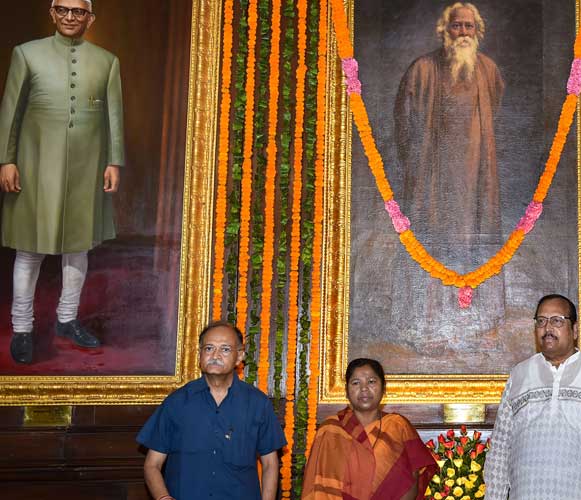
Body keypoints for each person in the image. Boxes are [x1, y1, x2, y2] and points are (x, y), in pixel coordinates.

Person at [0, 0, 125, 364]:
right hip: (35, 163)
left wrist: (114, 161)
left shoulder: (107, 61)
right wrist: (6, 159)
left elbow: (114, 115)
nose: (71, 17)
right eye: (63, 10)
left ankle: (66, 320)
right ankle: (22, 327)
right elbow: (11, 110)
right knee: (29, 248)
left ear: (91, 18)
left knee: (78, 246)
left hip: (88, 165)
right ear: (52, 13)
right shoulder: (27, 54)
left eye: (78, 11)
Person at [390, 2, 505, 334]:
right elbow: (405, 124)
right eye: (457, 26)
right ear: (444, 30)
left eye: (470, 27)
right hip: (433, 183)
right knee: (433, 245)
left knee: (474, 245)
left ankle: (475, 327)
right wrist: (423, 161)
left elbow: (495, 109)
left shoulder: (488, 71)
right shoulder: (422, 69)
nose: (464, 33)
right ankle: (427, 326)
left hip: (476, 182)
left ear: (477, 32)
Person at [483, 294, 581, 499]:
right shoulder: (519, 375)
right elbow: (500, 451)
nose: (547, 328)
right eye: (541, 321)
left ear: (575, 330)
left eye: (557, 320)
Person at [137, 321, 286, 500]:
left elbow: (270, 464)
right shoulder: (176, 403)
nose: (215, 355)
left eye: (225, 349)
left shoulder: (257, 404)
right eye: (208, 348)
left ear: (239, 357)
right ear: (199, 355)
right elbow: (152, 465)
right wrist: (163, 498)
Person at [302, 358, 438, 499]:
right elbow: (317, 487)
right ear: (346, 392)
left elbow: (412, 479)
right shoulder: (330, 430)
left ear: (383, 388)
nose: (364, 388)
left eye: (371, 381)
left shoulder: (398, 426)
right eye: (356, 383)